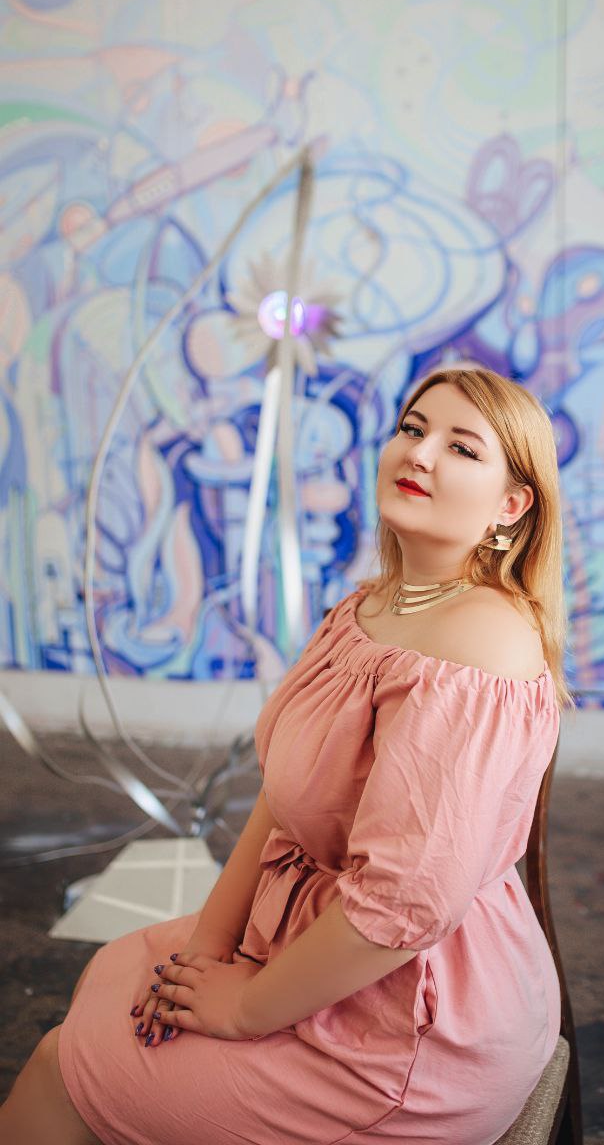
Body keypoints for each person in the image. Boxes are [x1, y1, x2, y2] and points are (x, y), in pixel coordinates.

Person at [0, 363, 572, 1145]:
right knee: (116, 977)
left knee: (64, 1065)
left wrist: (244, 1007)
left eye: (461, 448)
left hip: (409, 1020)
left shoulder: (481, 645)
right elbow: (283, 795)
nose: (419, 453)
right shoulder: (369, 606)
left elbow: (401, 908)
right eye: (412, 429)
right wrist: (211, 942)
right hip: (313, 932)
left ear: (511, 505)